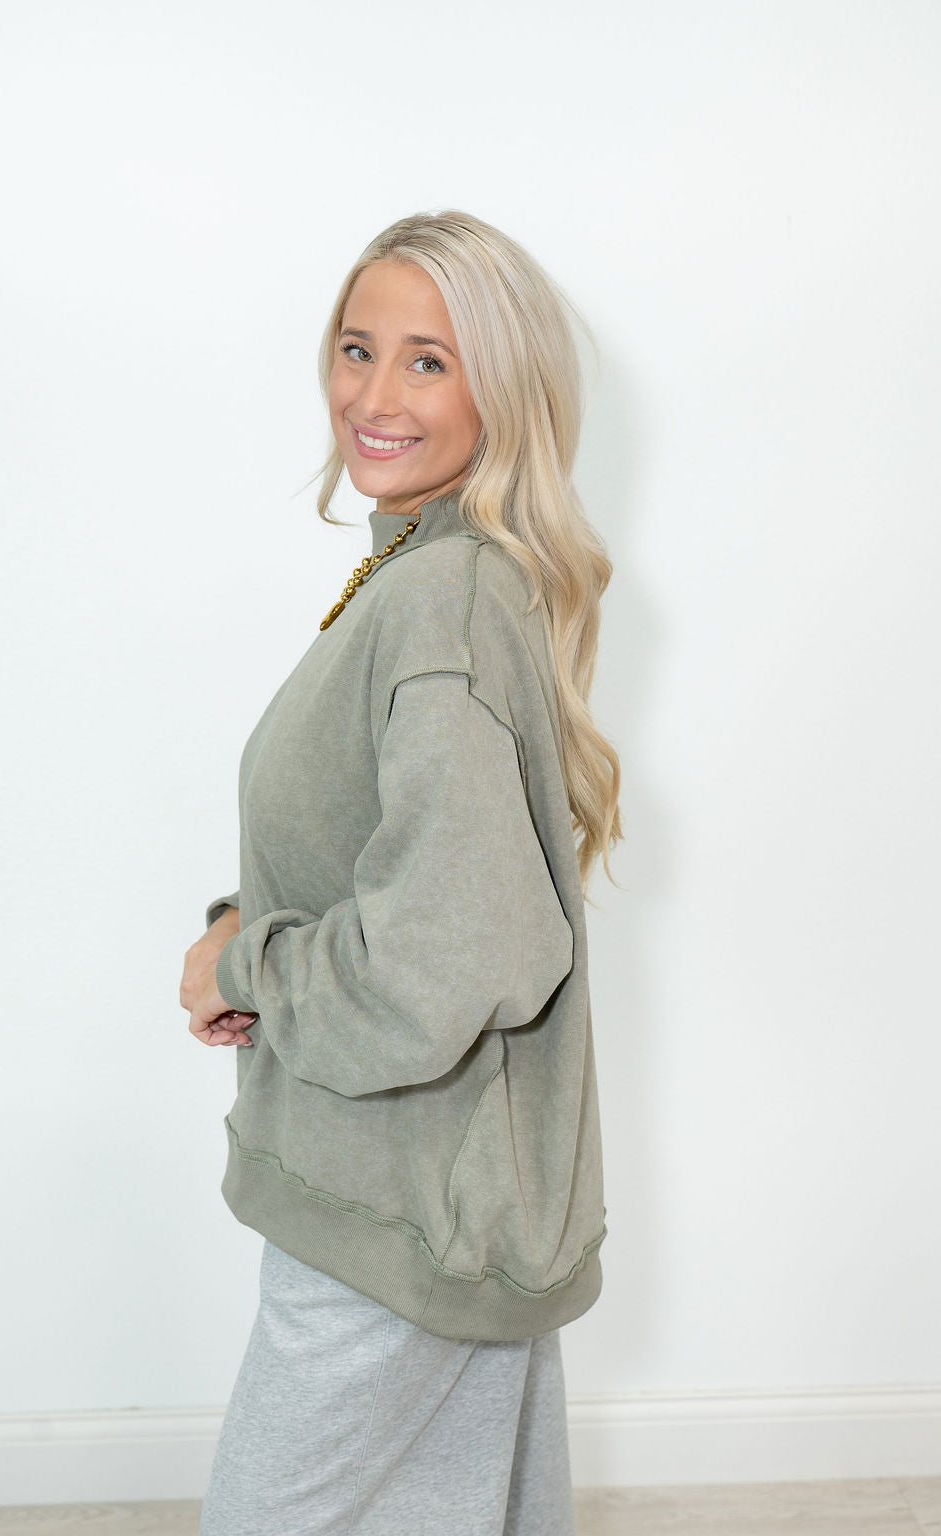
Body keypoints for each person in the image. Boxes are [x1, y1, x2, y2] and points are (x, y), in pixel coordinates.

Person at [180, 208, 623, 1536]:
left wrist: (247, 964)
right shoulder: (434, 573)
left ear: (506, 387)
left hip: (397, 1212)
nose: (374, 397)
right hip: (435, 1196)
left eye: (429, 361)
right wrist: (252, 926)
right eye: (357, 347)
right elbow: (416, 871)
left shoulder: (444, 599)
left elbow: (447, 954)